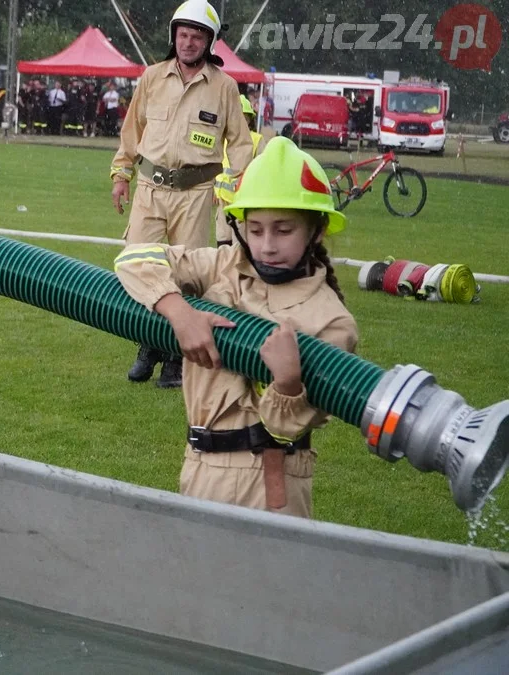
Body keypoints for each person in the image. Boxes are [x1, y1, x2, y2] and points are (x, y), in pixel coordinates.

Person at [113, 137, 357, 518]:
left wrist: (288, 384)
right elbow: (134, 257)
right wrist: (180, 312)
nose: (267, 246)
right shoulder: (225, 264)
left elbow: (287, 426)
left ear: (317, 230)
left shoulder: (330, 321)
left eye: (283, 230)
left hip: (271, 484)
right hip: (198, 466)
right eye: (256, 229)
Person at [110, 0, 252, 389]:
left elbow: (240, 144)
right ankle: (147, 346)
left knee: (186, 276)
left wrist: (241, 189)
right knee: (138, 265)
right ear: (174, 37)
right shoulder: (152, 77)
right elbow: (131, 132)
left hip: (196, 193)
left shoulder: (224, 87)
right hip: (149, 190)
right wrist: (121, 174)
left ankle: (175, 359)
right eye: (183, 34)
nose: (189, 42)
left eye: (198, 36)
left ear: (210, 42)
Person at [214, 95, 267, 246]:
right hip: (223, 202)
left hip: (243, 203)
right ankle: (224, 270)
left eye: (243, 117)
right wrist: (214, 189)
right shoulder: (223, 139)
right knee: (223, 244)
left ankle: (239, 270)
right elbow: (218, 167)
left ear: (249, 119)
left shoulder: (256, 139)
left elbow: (263, 170)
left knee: (240, 248)